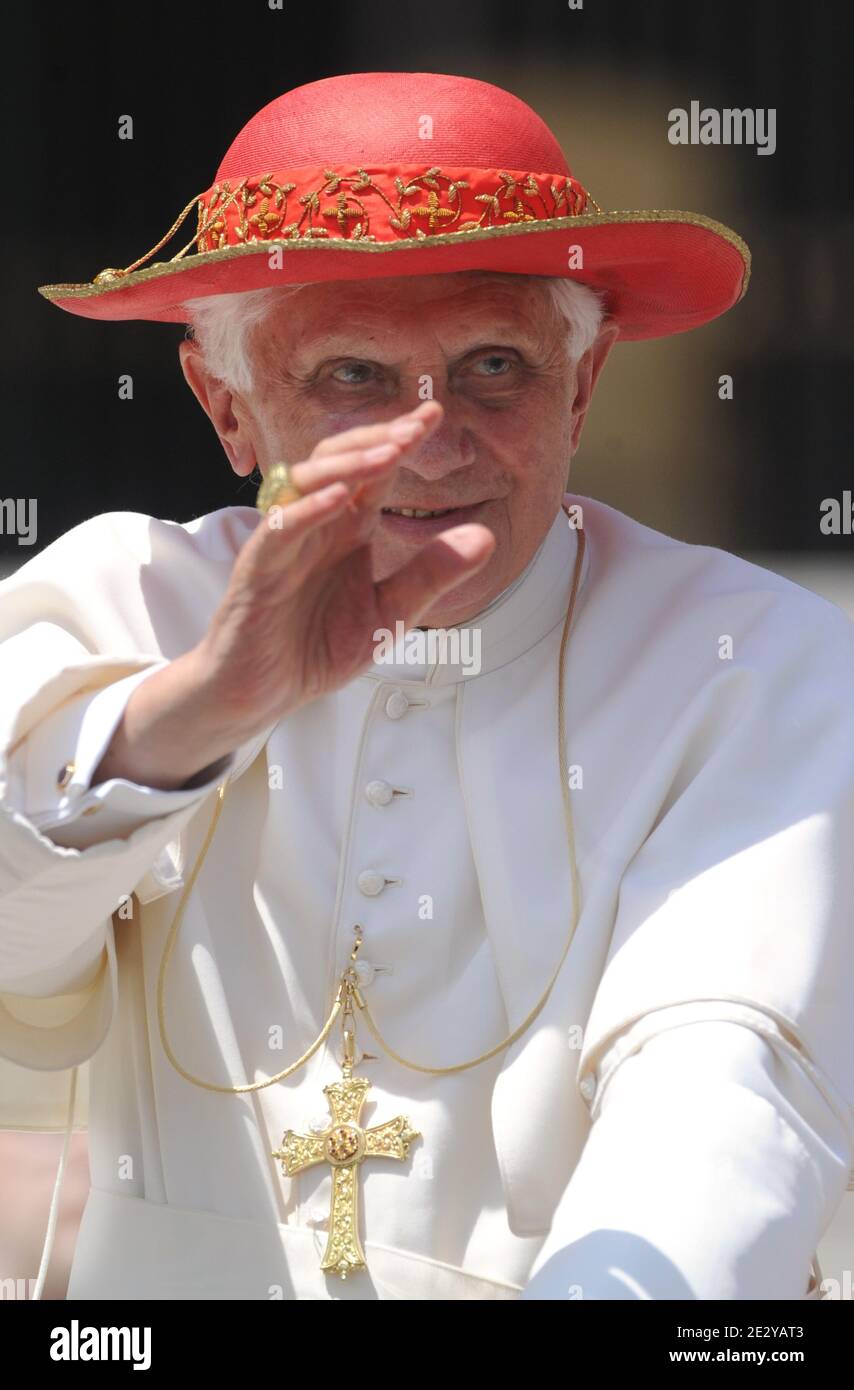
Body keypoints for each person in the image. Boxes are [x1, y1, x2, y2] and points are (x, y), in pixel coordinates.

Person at [1, 70, 852, 1301]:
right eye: (350, 375)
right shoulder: (118, 606)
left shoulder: (752, 665)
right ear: (225, 405)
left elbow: (722, 1091)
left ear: (583, 381)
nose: (433, 439)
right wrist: (193, 717)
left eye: (492, 364)